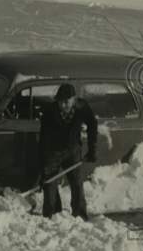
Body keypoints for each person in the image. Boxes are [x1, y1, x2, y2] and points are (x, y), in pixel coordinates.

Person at [38, 83, 98, 220]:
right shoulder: (49, 111)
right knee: (50, 185)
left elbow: (92, 124)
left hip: (73, 150)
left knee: (77, 183)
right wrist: (44, 163)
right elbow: (43, 138)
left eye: (66, 102)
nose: (63, 105)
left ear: (74, 99)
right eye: (60, 102)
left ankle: (80, 215)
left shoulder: (82, 107)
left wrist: (92, 148)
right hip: (52, 151)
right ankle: (51, 216)